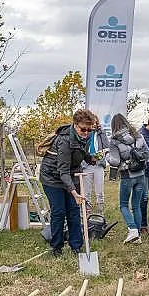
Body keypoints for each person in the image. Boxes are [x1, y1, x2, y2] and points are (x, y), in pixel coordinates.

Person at [39, 109, 96, 255]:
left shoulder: (86, 136)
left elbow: (81, 152)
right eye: (83, 129)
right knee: (59, 211)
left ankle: (76, 246)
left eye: (90, 129)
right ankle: (56, 246)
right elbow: (62, 172)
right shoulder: (64, 141)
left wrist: (90, 158)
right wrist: (74, 193)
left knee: (74, 211)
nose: (86, 132)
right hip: (53, 177)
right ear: (75, 125)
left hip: (71, 173)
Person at [107, 113, 149, 244]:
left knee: (123, 205)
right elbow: (148, 153)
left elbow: (114, 162)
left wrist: (107, 156)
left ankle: (133, 230)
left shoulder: (114, 141)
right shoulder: (138, 135)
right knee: (136, 205)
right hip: (141, 174)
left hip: (127, 176)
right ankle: (138, 236)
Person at [82, 117, 109, 214]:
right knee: (86, 191)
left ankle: (100, 212)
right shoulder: (85, 133)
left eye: (95, 123)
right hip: (87, 165)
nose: (93, 125)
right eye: (91, 123)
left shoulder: (101, 133)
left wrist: (101, 131)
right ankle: (86, 212)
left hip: (98, 165)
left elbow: (107, 146)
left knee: (99, 191)